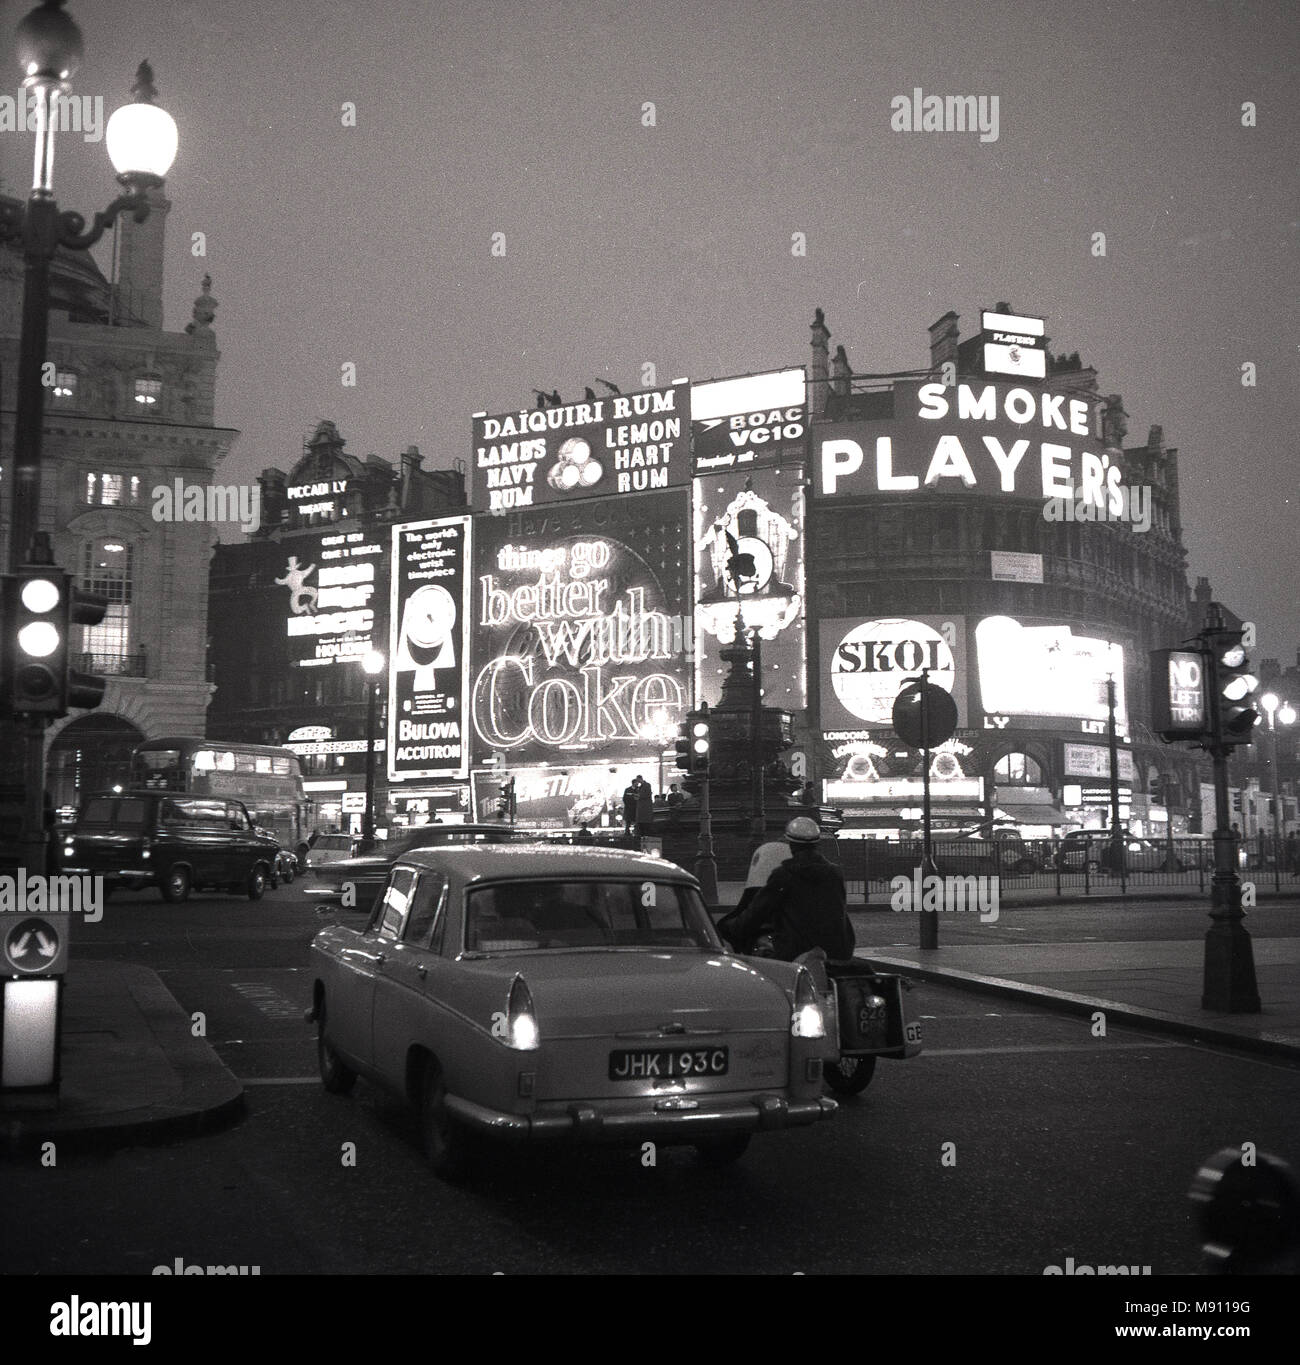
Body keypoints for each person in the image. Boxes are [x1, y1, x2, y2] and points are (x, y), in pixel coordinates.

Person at [722, 816, 855, 961]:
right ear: (817, 843)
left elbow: (757, 912)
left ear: (792, 845)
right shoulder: (835, 873)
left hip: (798, 953)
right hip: (839, 950)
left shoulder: (784, 874)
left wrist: (732, 927)